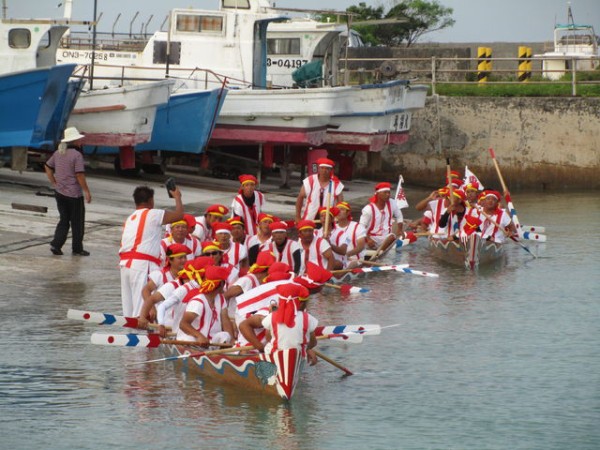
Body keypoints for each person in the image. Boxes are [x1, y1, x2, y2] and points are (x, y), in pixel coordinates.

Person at [119, 185, 183, 317]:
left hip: (125, 265)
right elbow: (179, 215)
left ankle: (131, 334)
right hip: (141, 265)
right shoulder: (152, 213)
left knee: (129, 311)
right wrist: (177, 197)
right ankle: (140, 335)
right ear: (150, 200)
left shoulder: (130, 218)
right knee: (142, 310)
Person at [44, 126, 92, 256]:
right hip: (74, 194)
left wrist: (53, 182)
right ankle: (77, 248)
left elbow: (47, 167)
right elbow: (79, 175)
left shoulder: (58, 153)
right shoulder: (77, 155)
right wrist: (86, 191)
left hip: (59, 193)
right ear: (75, 141)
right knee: (77, 222)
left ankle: (56, 244)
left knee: (64, 219)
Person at [177, 265, 234, 348]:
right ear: (220, 284)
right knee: (191, 339)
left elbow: (226, 321)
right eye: (224, 282)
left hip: (209, 341)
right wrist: (199, 336)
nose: (225, 286)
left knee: (225, 335)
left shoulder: (221, 299)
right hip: (193, 339)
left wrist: (231, 342)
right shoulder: (198, 302)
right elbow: (183, 324)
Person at [261, 283, 318, 365]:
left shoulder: (271, 316)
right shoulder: (307, 318)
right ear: (300, 303)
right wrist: (307, 348)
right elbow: (313, 342)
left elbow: (268, 338)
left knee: (269, 347)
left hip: (273, 355)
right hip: (297, 357)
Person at [359, 182, 404, 255]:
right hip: (371, 237)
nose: (388, 195)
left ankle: (379, 253)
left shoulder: (392, 203)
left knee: (392, 236)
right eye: (385, 192)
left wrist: (400, 229)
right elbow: (361, 227)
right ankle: (379, 252)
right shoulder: (368, 209)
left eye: (389, 192)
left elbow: (399, 216)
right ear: (378, 194)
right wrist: (368, 239)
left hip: (386, 237)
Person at [295, 157, 344, 222]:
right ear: (318, 169)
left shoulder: (336, 184)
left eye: (327, 169)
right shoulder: (310, 181)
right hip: (309, 218)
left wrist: (338, 218)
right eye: (322, 168)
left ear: (331, 170)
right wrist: (298, 216)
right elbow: (300, 199)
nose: (324, 171)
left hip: (328, 220)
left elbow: (340, 204)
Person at [335, 201, 366, 267]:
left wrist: (347, 254)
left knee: (352, 265)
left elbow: (361, 245)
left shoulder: (357, 227)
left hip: (355, 260)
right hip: (338, 261)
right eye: (337, 210)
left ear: (348, 213)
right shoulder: (333, 228)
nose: (339, 211)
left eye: (342, 209)